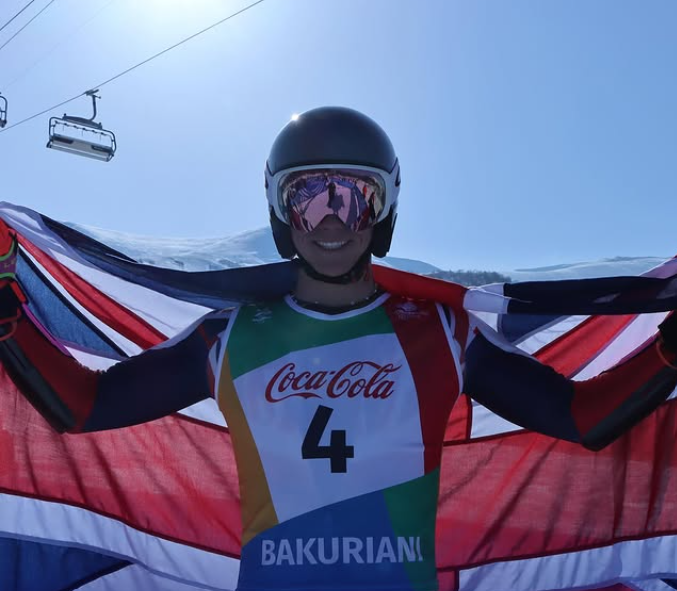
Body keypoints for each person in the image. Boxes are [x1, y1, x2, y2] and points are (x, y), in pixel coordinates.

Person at [0, 106, 677, 591]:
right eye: (308, 197)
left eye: (351, 197)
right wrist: (9, 319)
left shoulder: (442, 331)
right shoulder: (229, 336)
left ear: (382, 211)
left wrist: (667, 350)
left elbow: (583, 418)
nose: (330, 219)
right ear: (280, 212)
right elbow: (81, 406)